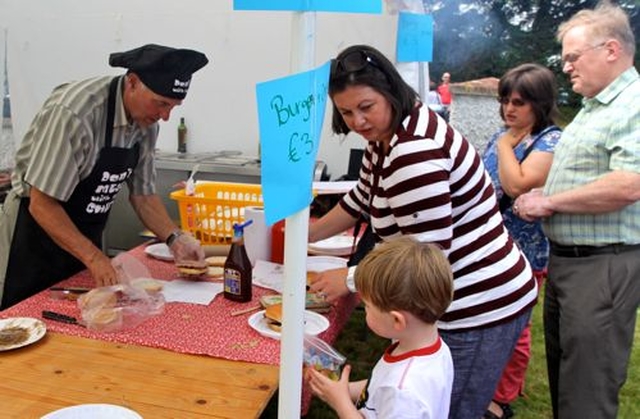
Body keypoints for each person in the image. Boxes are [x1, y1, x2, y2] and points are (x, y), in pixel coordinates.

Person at [308, 44, 537, 419]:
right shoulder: (385, 136)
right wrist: (307, 235)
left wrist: (350, 280)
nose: (357, 121)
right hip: (457, 296)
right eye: (346, 112)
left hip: (479, 304)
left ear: (390, 91)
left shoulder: (413, 152)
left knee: (454, 408)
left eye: (366, 107)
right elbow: (362, 198)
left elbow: (424, 258)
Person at [0, 44, 209, 309]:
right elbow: (42, 203)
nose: (165, 117)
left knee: (85, 320)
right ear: (132, 83)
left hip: (84, 239)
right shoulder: (76, 113)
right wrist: (95, 258)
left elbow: (143, 195)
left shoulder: (146, 124)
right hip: (34, 236)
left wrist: (176, 239)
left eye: (173, 106)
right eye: (161, 103)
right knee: (26, 318)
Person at [514, 3, 640, 418]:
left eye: (572, 57)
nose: (565, 67)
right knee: (568, 381)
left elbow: (631, 182)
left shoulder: (632, 105)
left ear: (611, 50)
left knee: (587, 390)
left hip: (601, 266)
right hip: (573, 264)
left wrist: (548, 201)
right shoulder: (595, 107)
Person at [481, 63, 562, 419]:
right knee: (487, 322)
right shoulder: (505, 133)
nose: (509, 109)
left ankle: (503, 396)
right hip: (489, 247)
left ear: (540, 103)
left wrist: (502, 145)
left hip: (524, 254)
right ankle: (486, 384)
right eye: (505, 101)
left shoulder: (551, 140)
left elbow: (516, 185)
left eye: (519, 102)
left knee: (515, 327)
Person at [307, 236, 454, 418]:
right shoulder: (433, 349)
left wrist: (341, 403)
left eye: (367, 306)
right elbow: (380, 387)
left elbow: (391, 390)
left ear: (397, 321)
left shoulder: (403, 392)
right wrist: (342, 391)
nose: (365, 309)